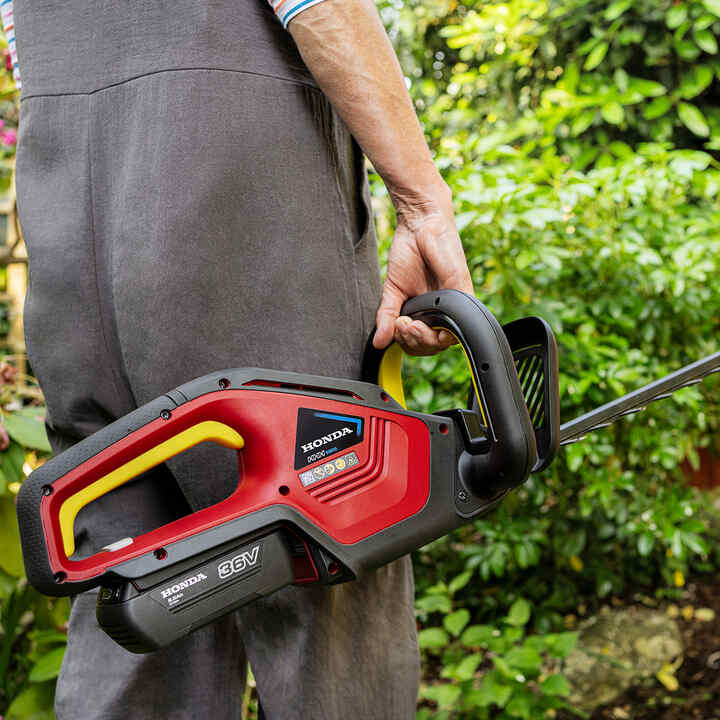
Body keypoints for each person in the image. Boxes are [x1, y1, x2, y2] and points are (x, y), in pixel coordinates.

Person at [11, 0, 473, 717]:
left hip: (68, 218)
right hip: (241, 202)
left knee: (136, 596)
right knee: (334, 547)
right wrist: (424, 203)